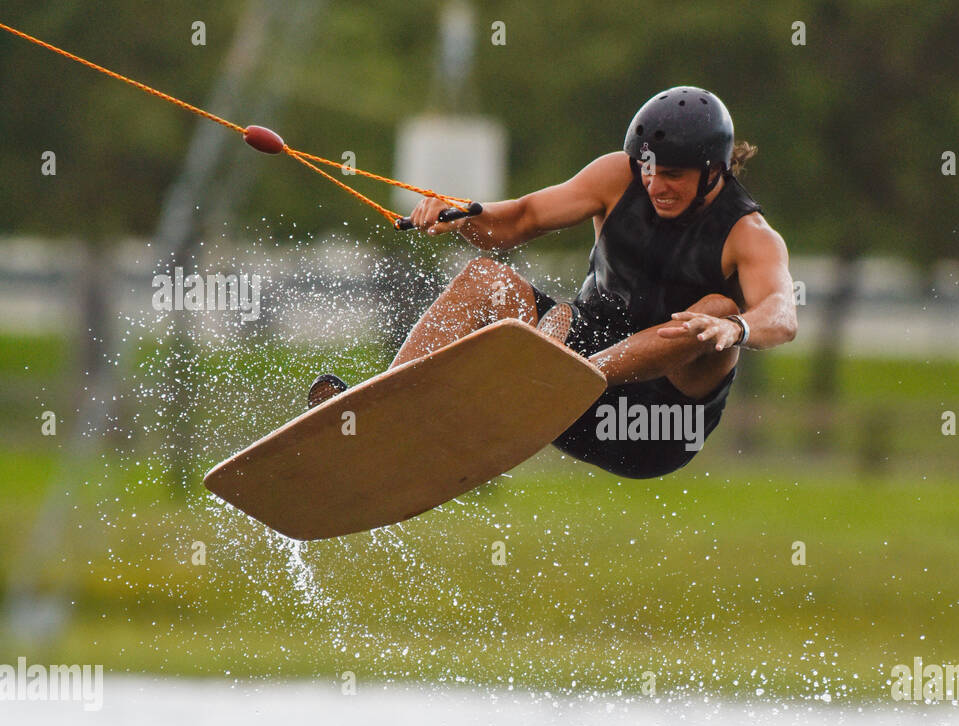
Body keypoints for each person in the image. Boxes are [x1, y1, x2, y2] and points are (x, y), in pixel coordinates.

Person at [309, 85, 796, 478]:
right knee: (485, 279)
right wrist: (459, 216)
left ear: (713, 171)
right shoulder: (616, 177)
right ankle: (381, 412)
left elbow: (782, 313)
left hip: (654, 426)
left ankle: (561, 375)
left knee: (712, 311)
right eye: (647, 170)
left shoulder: (749, 235)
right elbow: (520, 219)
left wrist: (738, 328)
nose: (654, 185)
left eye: (671, 175)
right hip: (571, 365)